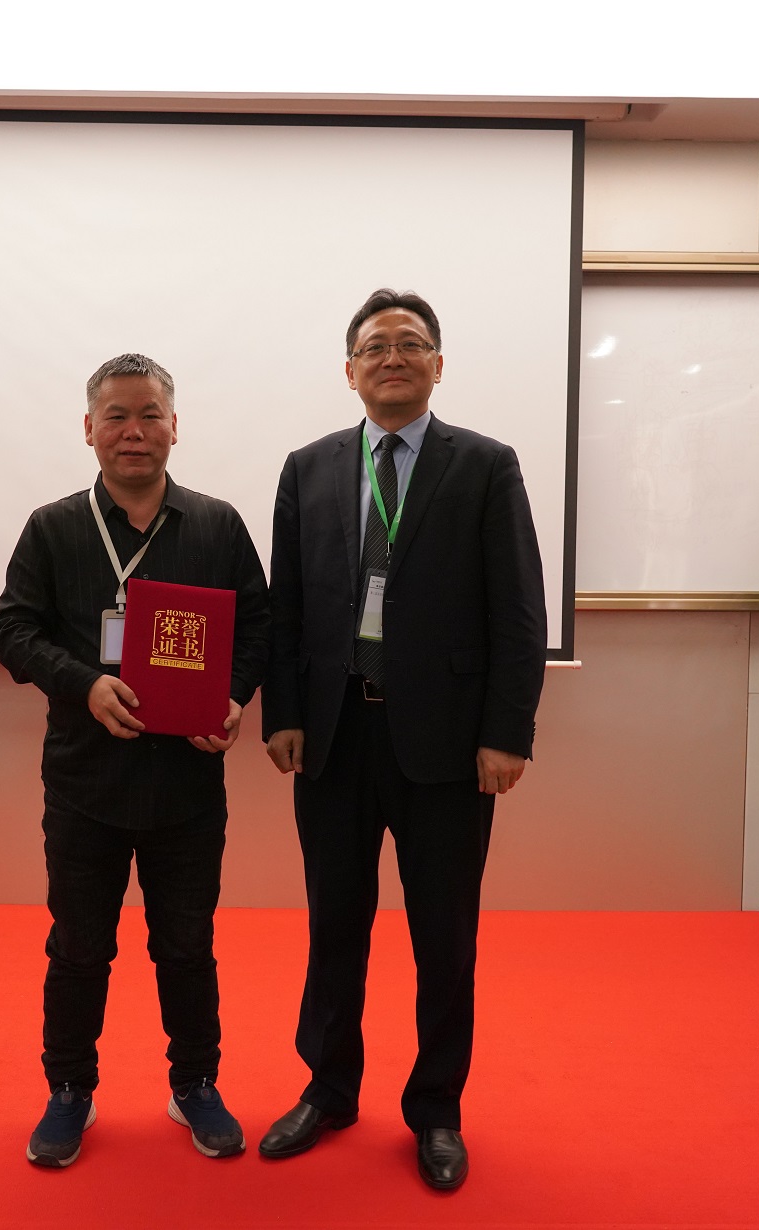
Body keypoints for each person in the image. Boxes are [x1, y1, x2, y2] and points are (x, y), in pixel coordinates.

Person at [258, 290, 547, 1190]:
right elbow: (285, 608)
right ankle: (328, 1089)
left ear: (437, 365)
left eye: (411, 343)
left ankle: (436, 1110)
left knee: (443, 938)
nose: (393, 356)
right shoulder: (306, 468)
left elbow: (518, 610)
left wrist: (506, 733)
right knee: (333, 927)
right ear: (349, 370)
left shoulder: (485, 465)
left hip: (448, 746)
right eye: (376, 345)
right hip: (335, 737)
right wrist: (283, 714)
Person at [0, 352, 270, 1168]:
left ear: (174, 427)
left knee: (185, 945)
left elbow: (257, 628)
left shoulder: (216, 526)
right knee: (79, 947)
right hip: (85, 783)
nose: (134, 431)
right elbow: (11, 630)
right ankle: (69, 1090)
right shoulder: (52, 528)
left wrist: (233, 699)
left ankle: (195, 1085)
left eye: (150, 415)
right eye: (116, 416)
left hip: (187, 784)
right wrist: (83, 684)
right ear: (89, 429)